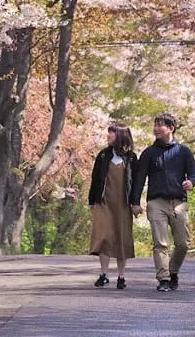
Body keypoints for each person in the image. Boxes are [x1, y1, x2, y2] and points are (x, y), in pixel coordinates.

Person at [129, 112, 195, 292]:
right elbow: (139, 178)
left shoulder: (183, 151)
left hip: (179, 202)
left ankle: (173, 271)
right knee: (160, 243)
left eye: (160, 125)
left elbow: (193, 172)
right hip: (156, 202)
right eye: (155, 125)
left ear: (171, 129)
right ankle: (164, 278)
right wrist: (135, 202)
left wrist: (191, 182)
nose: (156, 129)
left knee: (183, 244)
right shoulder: (149, 153)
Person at [88, 123, 137, 290]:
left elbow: (136, 183)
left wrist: (135, 203)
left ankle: (121, 276)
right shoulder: (103, 156)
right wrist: (92, 201)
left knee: (121, 238)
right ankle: (103, 274)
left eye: (111, 133)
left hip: (123, 204)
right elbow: (95, 179)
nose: (108, 136)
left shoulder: (131, 157)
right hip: (103, 203)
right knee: (103, 237)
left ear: (121, 136)